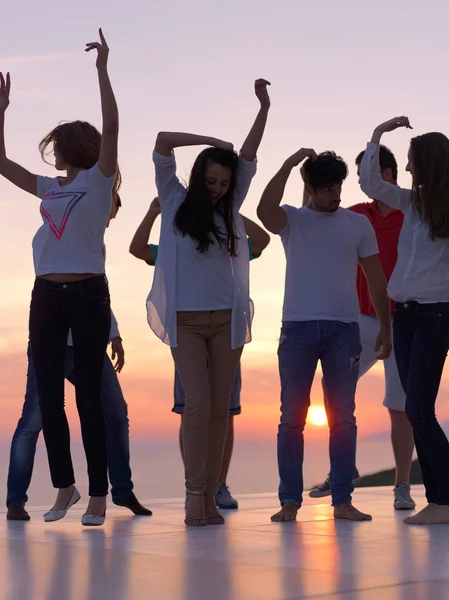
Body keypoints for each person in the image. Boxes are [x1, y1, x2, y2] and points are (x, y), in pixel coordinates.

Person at [0, 30, 119, 526]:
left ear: (71, 147)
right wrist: (1, 111)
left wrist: (102, 70)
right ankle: (65, 488)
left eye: (56, 144)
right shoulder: (49, 186)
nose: (51, 150)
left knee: (88, 394)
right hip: (45, 294)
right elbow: (1, 163)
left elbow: (113, 125)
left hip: (88, 293)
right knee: (50, 394)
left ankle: (97, 496)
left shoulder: (100, 179)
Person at [148, 79, 270, 526]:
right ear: (199, 176)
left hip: (227, 322)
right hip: (187, 321)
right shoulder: (174, 198)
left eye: (224, 182)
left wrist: (263, 107)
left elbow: (251, 159)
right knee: (197, 405)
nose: (218, 189)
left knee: (221, 409)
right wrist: (211, 140)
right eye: (212, 181)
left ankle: (211, 495)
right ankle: (194, 495)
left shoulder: (230, 206)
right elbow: (162, 143)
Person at [257, 148, 392, 523]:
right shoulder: (293, 220)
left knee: (343, 417)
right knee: (291, 418)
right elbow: (263, 210)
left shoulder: (356, 224)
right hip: (297, 329)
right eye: (327, 188)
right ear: (311, 188)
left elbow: (377, 280)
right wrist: (286, 163)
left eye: (338, 187)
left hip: (343, 330)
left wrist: (386, 327)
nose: (335, 194)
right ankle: (289, 501)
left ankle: (343, 500)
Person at [6, 197, 152, 521]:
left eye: (112, 213)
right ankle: (16, 500)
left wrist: (113, 332)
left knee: (115, 412)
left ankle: (122, 492)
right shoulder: (48, 236)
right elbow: (62, 291)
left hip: (88, 342)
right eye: (109, 211)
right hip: (54, 345)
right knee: (33, 422)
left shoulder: (91, 240)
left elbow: (94, 290)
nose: (109, 218)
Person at [130, 197, 271, 510]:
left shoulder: (228, 247)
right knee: (193, 409)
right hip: (189, 335)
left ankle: (217, 484)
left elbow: (262, 240)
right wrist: (153, 213)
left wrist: (231, 213)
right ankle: (193, 485)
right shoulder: (178, 250)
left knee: (223, 411)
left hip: (226, 333)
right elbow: (138, 249)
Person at [309, 146, 416, 511]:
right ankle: (345, 470)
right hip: (365, 323)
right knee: (336, 387)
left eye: (362, 174)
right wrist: (307, 171)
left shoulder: (412, 214)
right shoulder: (355, 216)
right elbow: (311, 216)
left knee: (400, 407)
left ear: (385, 175)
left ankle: (402, 486)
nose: (357, 182)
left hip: (407, 323)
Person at [360, 117, 449, 525]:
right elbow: (371, 185)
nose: (409, 169)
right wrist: (378, 134)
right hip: (405, 316)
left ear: (428, 163)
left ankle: (445, 500)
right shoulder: (412, 203)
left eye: (413, 162)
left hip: (435, 315)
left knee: (418, 410)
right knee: (418, 412)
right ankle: (439, 502)